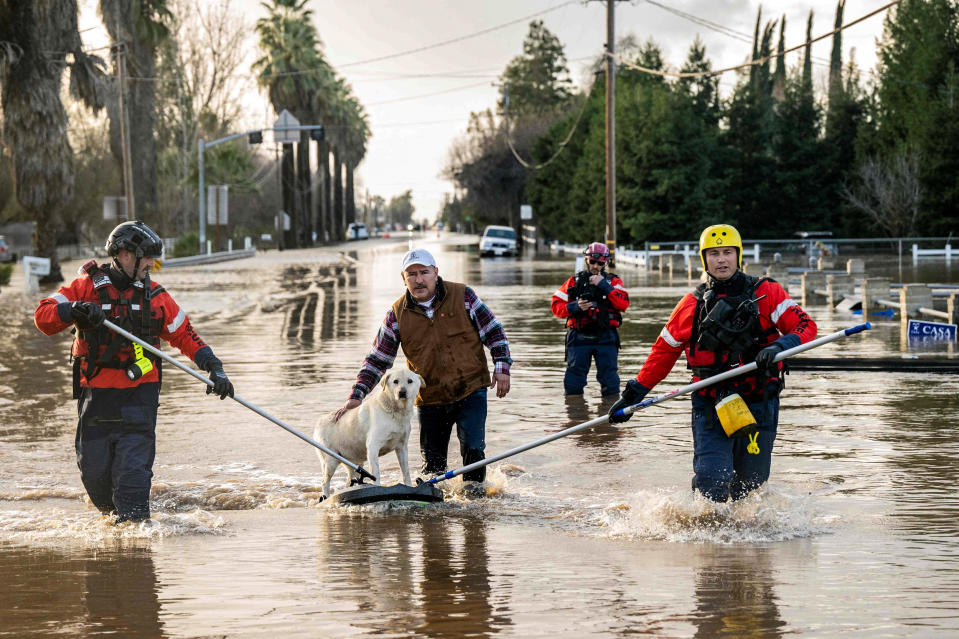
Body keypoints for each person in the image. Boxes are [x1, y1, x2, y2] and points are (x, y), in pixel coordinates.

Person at [34, 220, 234, 523]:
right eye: (147, 257)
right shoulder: (85, 287)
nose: (152, 264)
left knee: (132, 489)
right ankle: (117, 551)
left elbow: (185, 335)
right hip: (96, 398)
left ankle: (137, 550)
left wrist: (215, 368)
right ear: (125, 254)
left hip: (140, 399)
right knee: (96, 482)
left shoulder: (156, 296)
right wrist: (74, 309)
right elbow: (43, 317)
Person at [609, 224, 817, 502]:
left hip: (759, 399)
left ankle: (741, 544)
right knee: (712, 483)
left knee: (750, 488)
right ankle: (707, 538)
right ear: (705, 259)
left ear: (738, 255)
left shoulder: (768, 292)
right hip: (711, 402)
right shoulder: (690, 304)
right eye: (714, 253)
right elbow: (663, 353)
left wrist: (780, 346)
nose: (721, 259)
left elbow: (805, 327)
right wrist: (633, 395)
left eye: (728, 252)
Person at [334, 248, 511, 484]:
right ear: (403, 278)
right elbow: (378, 359)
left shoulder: (464, 296)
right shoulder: (396, 315)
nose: (419, 280)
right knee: (433, 464)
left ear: (435, 273)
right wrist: (357, 396)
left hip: (470, 388)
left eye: (424, 272)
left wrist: (501, 367)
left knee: (473, 450)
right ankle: (433, 507)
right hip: (429, 397)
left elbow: (494, 331)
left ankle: (475, 504)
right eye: (412, 274)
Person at [551, 242, 630, 397]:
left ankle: (610, 416)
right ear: (587, 260)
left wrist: (605, 286)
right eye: (592, 262)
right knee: (573, 382)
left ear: (605, 263)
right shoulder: (574, 282)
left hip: (605, 336)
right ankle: (575, 417)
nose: (595, 266)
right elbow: (555, 306)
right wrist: (575, 307)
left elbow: (624, 303)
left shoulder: (613, 283)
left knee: (610, 382)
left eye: (600, 263)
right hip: (579, 335)